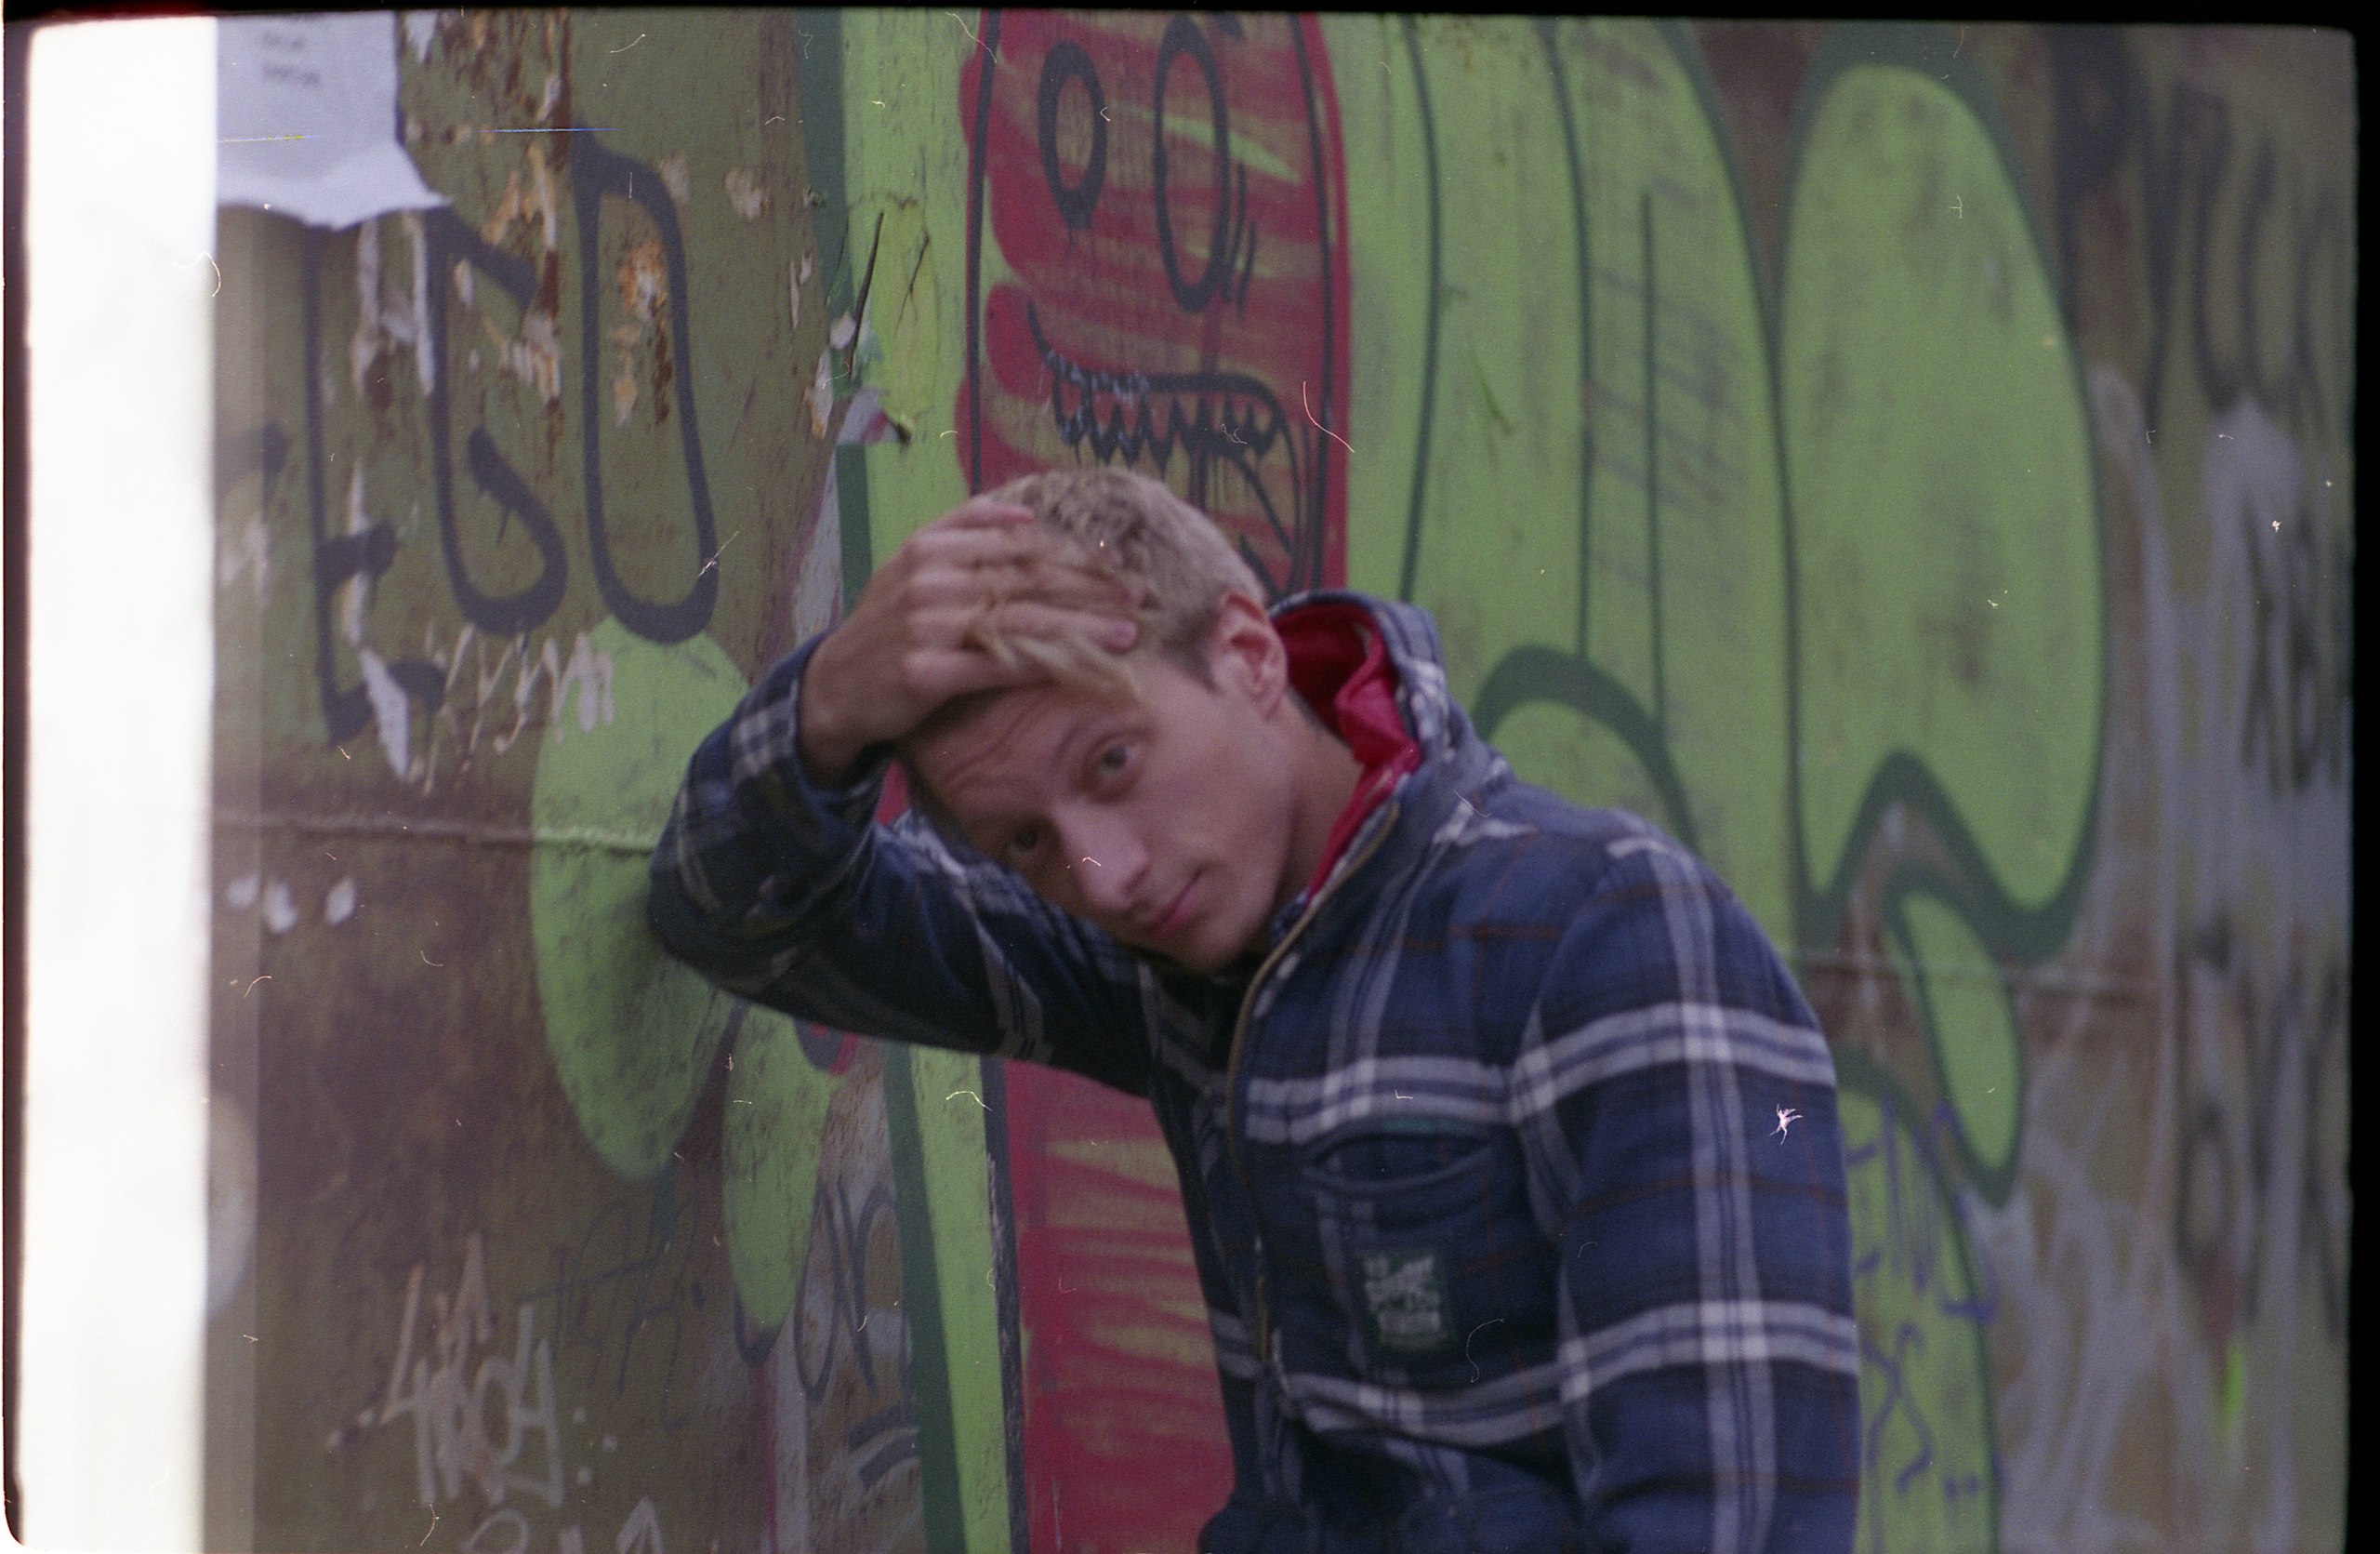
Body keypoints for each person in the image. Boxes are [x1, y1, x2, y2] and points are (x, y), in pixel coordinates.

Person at [648, 466, 1859, 1554]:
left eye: (1112, 762)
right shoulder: (1171, 953)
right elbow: (739, 915)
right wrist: (825, 710)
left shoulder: (1601, 935)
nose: (1103, 875)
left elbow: (1731, 1517)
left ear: (1248, 654)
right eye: (1026, 841)